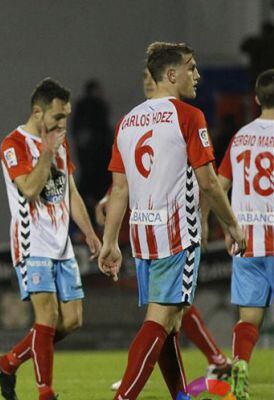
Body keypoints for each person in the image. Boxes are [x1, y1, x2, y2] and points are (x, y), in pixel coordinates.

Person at [100, 42, 246, 400]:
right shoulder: (188, 116)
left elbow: (118, 190)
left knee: (170, 322)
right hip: (177, 232)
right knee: (160, 321)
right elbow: (208, 182)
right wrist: (231, 224)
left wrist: (108, 242)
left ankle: (181, 396)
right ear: (171, 74)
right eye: (191, 68)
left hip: (141, 234)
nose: (197, 75)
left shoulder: (128, 121)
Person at [0, 78, 102, 400]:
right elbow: (28, 188)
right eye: (57, 117)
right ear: (38, 113)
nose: (63, 124)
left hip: (62, 245)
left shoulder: (60, 143)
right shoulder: (13, 144)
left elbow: (71, 192)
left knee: (72, 320)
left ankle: (7, 363)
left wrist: (90, 233)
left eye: (66, 116)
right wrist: (46, 154)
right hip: (31, 242)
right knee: (47, 317)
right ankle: (45, 392)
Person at [213, 68, 274, 400]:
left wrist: (228, 227)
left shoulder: (241, 138)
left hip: (246, 239)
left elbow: (219, 187)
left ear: (256, 99)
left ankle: (239, 367)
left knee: (249, 317)